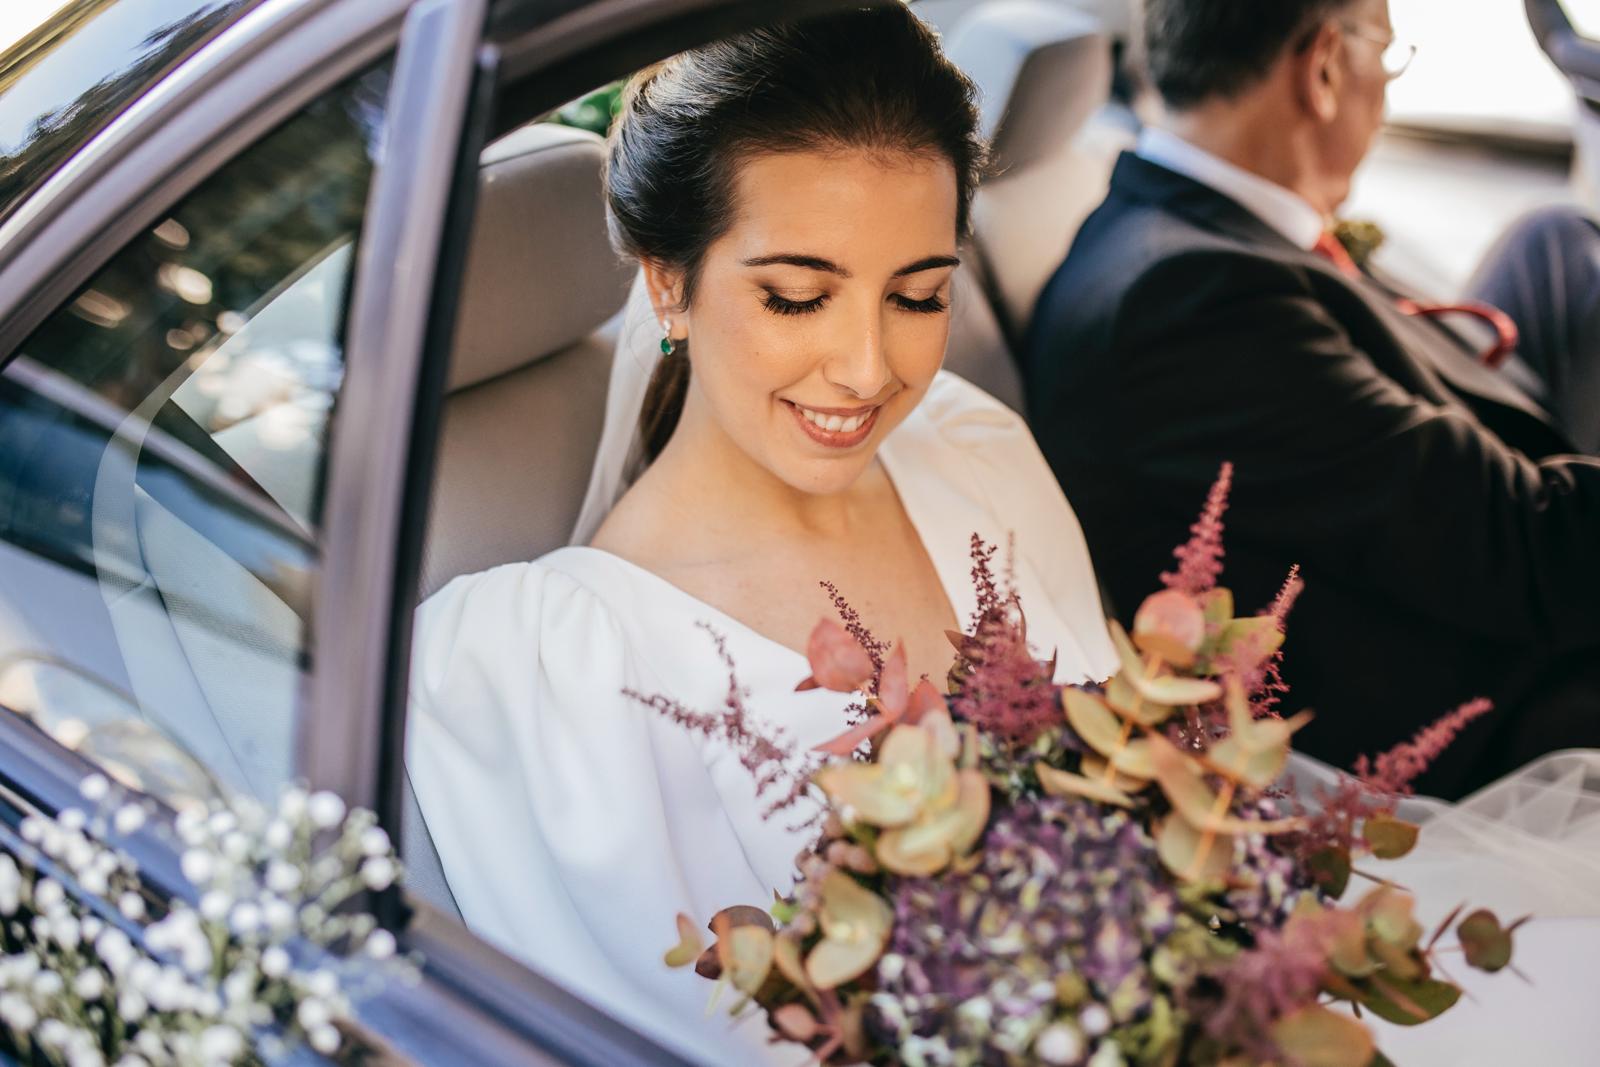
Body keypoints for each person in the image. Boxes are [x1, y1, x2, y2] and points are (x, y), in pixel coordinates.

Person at [406, 7, 1599, 1066]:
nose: (869, 369)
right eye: (795, 294)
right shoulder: (543, 663)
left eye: (918, 293)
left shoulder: (968, 448)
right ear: (667, 281)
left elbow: (1141, 800)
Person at [1023, 0, 1600, 798]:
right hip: (1482, 696)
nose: (1388, 89)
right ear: (1325, 67)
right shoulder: (1197, 305)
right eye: (1389, 56)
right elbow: (1538, 553)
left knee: (1556, 245)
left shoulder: (1195, 228)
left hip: (1430, 519)